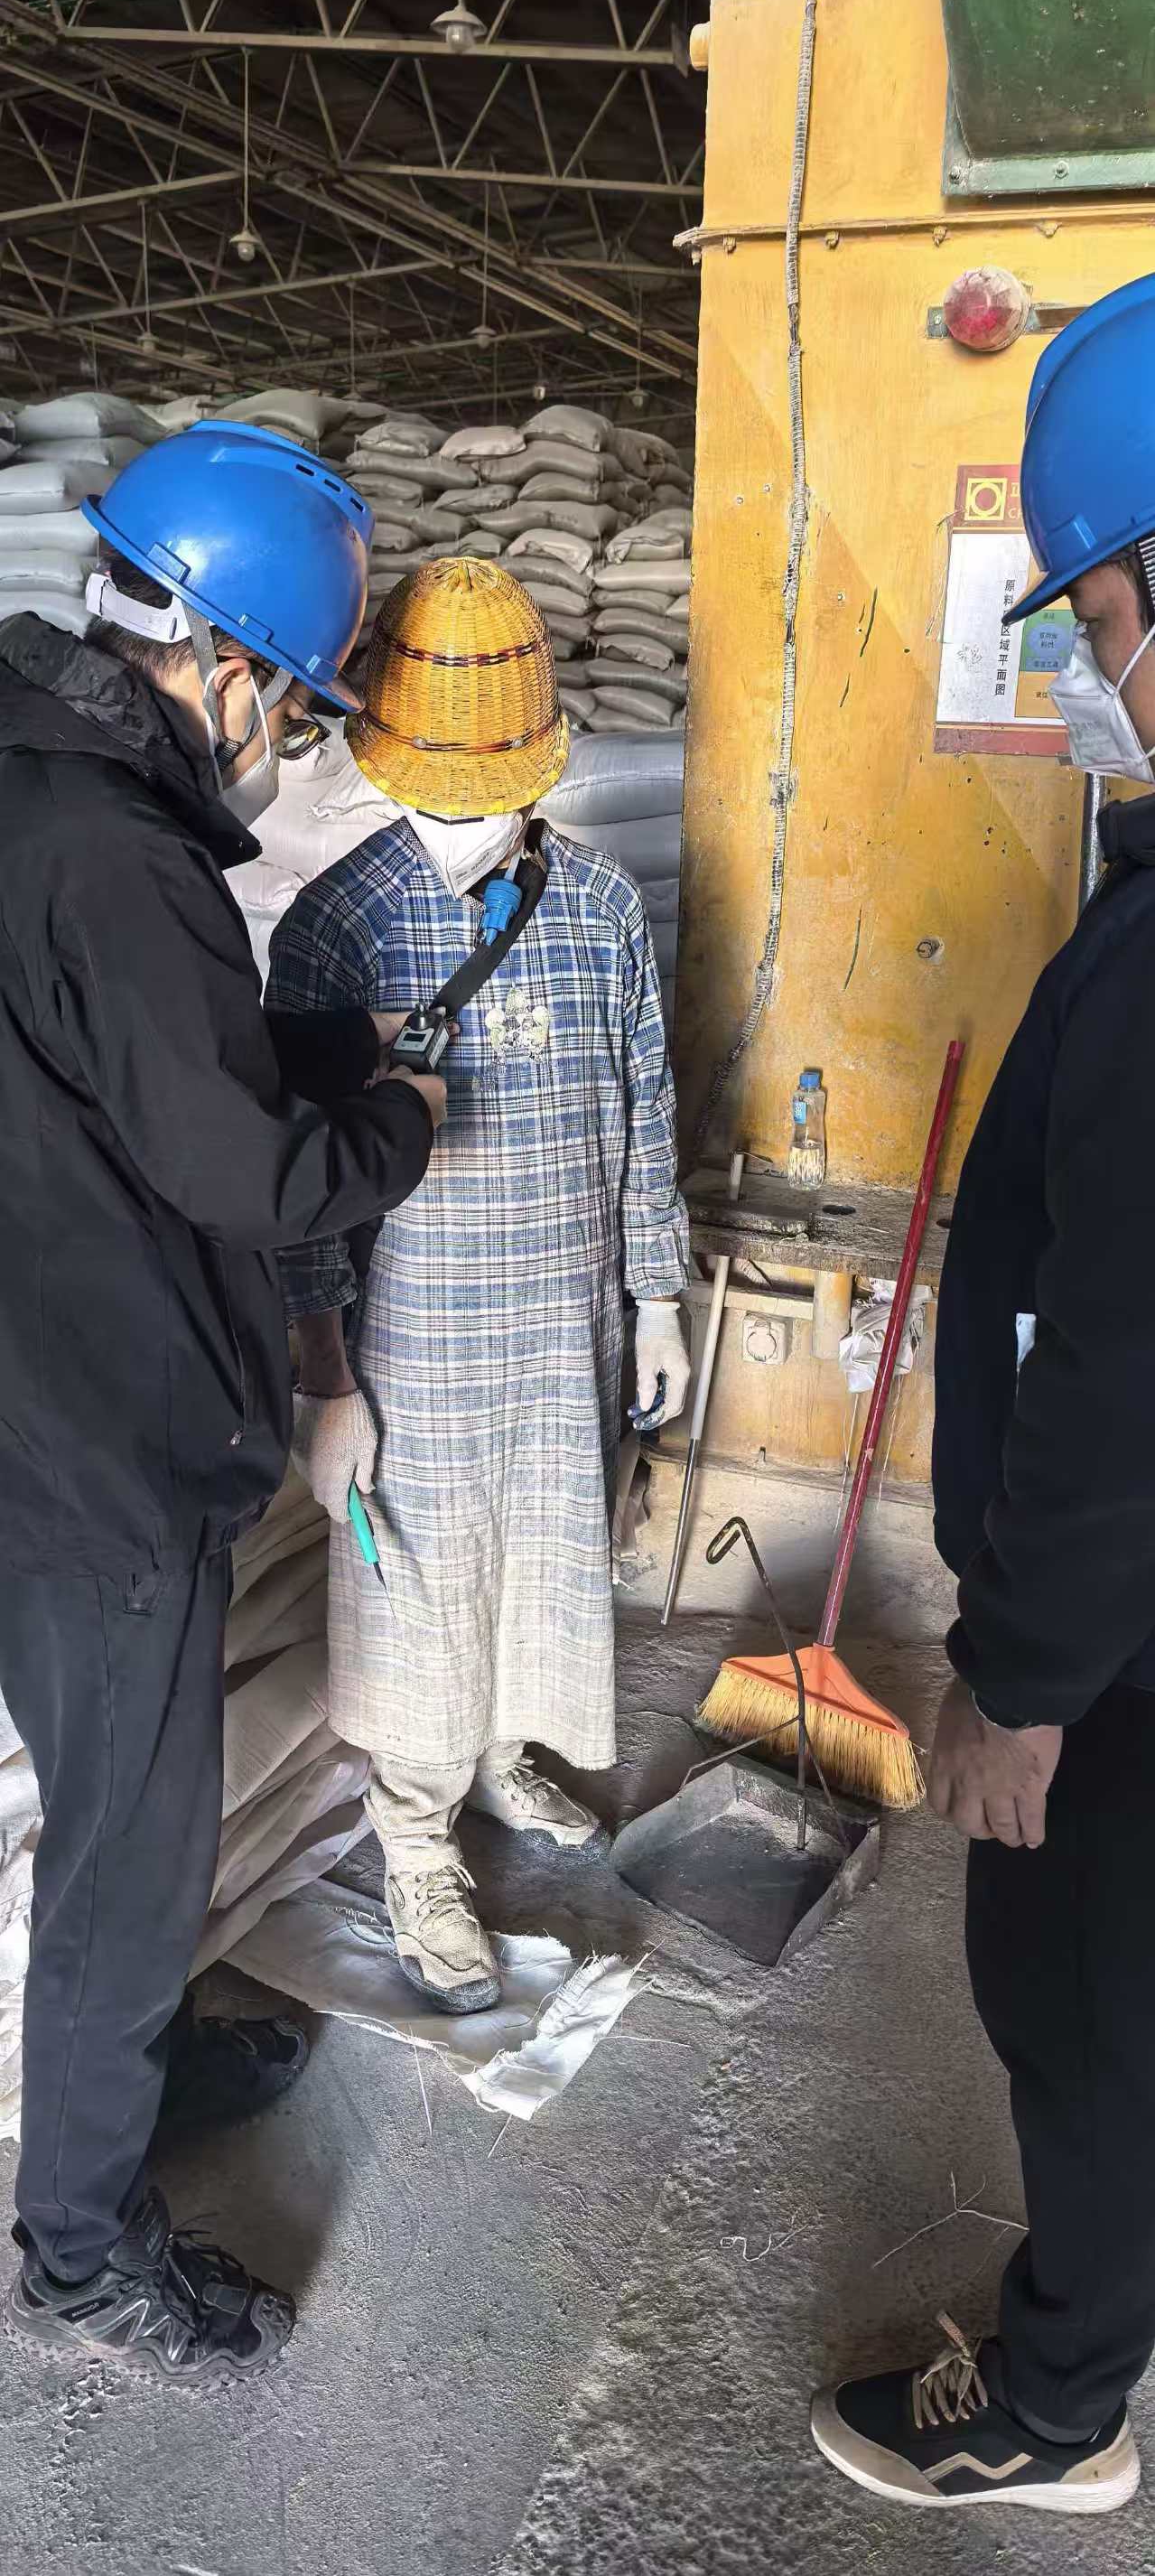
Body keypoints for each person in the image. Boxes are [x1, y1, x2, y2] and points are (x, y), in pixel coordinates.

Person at [0, 423, 447, 2385]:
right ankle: (80, 2252)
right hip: (98, 1448)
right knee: (132, 1849)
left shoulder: (36, 788)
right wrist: (394, 1118)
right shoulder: (123, 857)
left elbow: (121, 1062)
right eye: (299, 702)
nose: (290, 744)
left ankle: (130, 2065)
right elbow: (249, 1176)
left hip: (27, 1398)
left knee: (115, 1814)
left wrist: (314, 1042)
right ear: (232, 665)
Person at [811, 274, 1155, 2515]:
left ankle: (1054, 2406)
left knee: (1080, 2006)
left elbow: (1129, 1363)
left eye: (1102, 612)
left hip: (1119, 1653)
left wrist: (1016, 1681)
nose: (1095, 666)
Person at [272, 558, 691, 2011]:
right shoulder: (335, 926)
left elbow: (644, 1098)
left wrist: (658, 1293)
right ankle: (415, 1841)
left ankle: (507, 1752)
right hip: (415, 1336)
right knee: (422, 1588)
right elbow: (297, 1180)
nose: (469, 814)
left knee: (546, 1553)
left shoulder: (602, 905)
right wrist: (325, 1378)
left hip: (562, 1317)